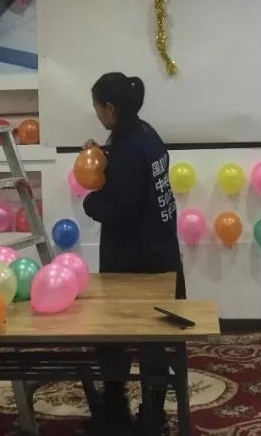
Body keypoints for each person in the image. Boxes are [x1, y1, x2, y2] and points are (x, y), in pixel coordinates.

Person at [82, 72, 183, 434]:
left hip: (135, 262)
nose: (96, 114)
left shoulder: (127, 150)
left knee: (116, 337)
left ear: (110, 108)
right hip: (160, 252)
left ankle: (120, 415)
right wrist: (101, 153)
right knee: (155, 340)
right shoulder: (145, 134)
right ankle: (152, 415)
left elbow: (119, 208)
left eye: (97, 108)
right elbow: (133, 174)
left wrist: (90, 202)